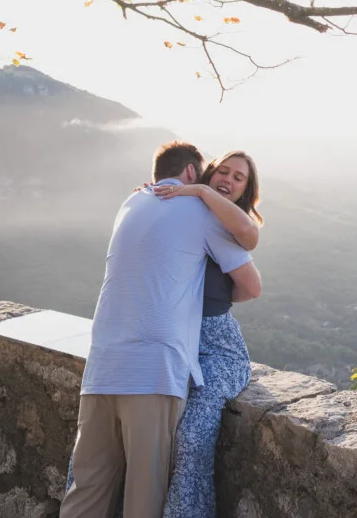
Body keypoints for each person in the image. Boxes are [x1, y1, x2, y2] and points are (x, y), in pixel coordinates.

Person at [60, 141, 261, 518]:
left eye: (238, 178)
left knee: (86, 489)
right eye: (215, 173)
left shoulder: (131, 202)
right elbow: (252, 276)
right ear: (192, 172)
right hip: (152, 370)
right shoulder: (201, 212)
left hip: (102, 365)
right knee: (144, 496)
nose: (224, 181)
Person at [152, 150, 264, 518]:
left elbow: (251, 286)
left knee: (191, 437)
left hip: (218, 348)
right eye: (224, 171)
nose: (228, 180)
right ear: (209, 171)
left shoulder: (226, 223)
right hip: (174, 339)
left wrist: (202, 193)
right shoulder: (188, 211)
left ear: (246, 190)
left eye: (238, 178)